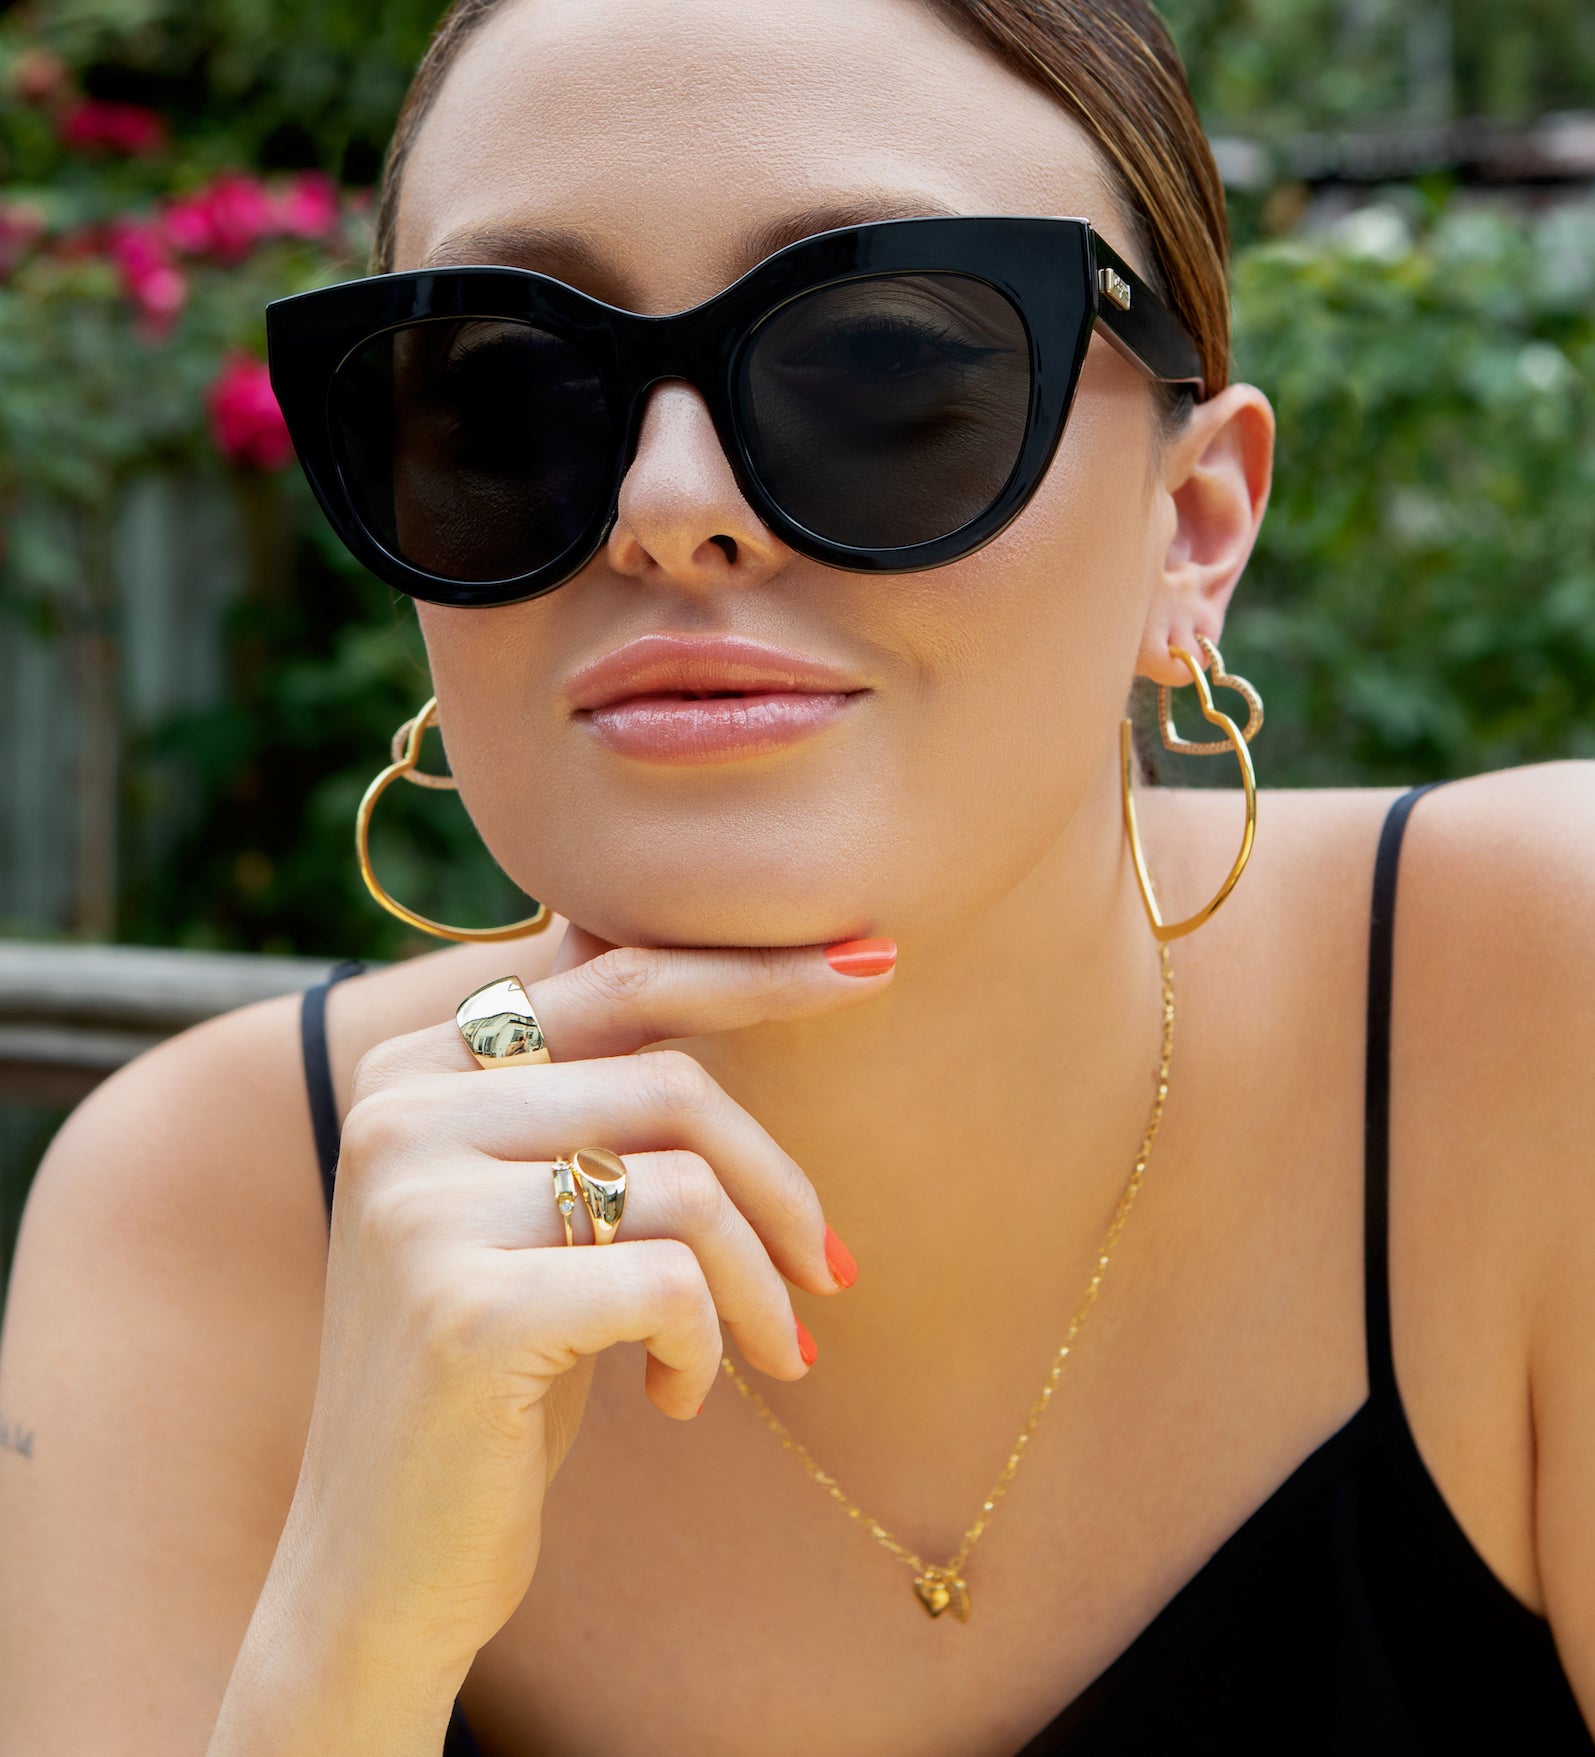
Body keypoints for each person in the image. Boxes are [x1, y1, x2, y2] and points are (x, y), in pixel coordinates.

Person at [1, 0, 1592, 1749]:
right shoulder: (201, 1224)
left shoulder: (1543, 1010)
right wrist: (352, 1640)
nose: (668, 501)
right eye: (505, 392)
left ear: (1193, 526)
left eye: (882, 365)